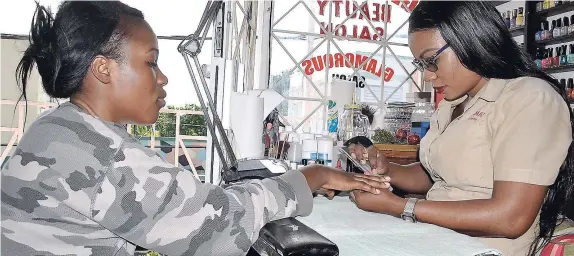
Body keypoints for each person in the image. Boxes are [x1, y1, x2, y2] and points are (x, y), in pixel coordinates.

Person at [0, 2, 391, 256]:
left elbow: (180, 203)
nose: (163, 77)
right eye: (151, 63)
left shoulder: (62, 129)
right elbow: (218, 226)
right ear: (103, 69)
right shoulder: (99, 153)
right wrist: (311, 176)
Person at [348, 2, 574, 256]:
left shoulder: (530, 98)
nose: (427, 76)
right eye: (421, 65)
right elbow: (438, 173)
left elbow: (511, 217)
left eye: (431, 61)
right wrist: (389, 168)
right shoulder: (453, 103)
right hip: (434, 238)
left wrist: (402, 207)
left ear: (471, 40)